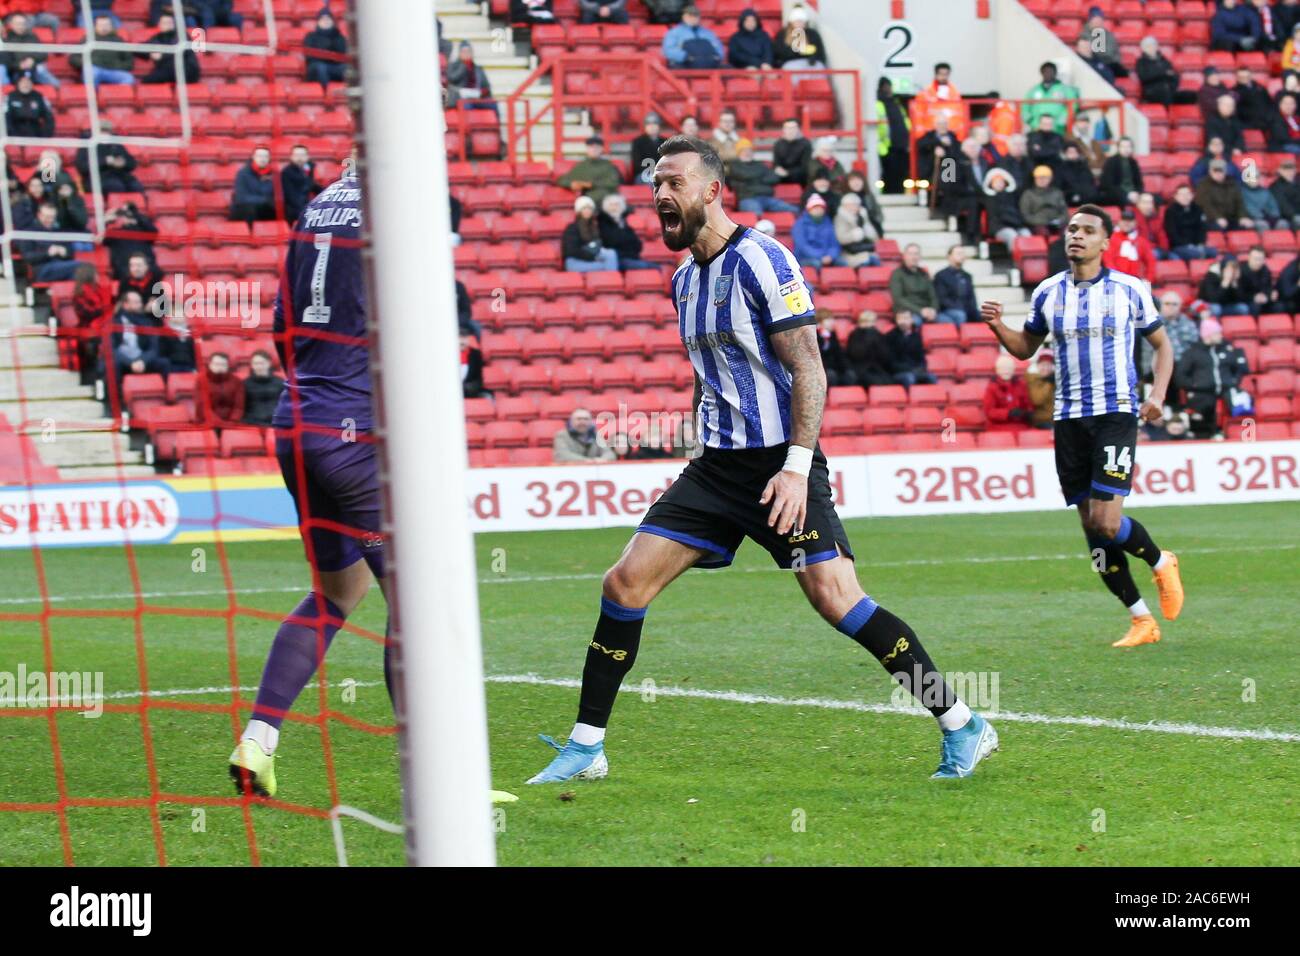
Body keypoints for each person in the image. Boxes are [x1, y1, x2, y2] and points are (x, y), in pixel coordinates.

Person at [527, 134, 997, 786]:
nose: (661, 195)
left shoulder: (764, 260)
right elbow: (708, 371)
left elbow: (809, 366)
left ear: (713, 191)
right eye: (656, 184)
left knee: (838, 601)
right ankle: (587, 746)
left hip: (782, 464)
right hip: (717, 469)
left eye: (675, 183)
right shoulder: (684, 279)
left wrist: (798, 467)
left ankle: (962, 724)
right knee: (623, 584)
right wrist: (698, 439)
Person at [229, 165, 394, 799]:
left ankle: (259, 741)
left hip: (296, 422)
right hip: (354, 437)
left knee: (335, 594)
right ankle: (444, 781)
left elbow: (280, 325)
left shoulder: (317, 206)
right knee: (417, 612)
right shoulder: (395, 201)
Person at [980, 204, 1184, 649]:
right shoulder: (1048, 292)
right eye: (1072, 229)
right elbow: (1023, 350)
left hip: (1115, 413)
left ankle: (1160, 560)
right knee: (1091, 530)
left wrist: (1158, 395)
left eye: (1088, 231)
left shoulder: (1130, 289)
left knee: (1107, 523)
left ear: (1105, 242)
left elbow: (1162, 346)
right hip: (1068, 418)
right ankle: (1141, 620)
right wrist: (999, 326)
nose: (1077, 236)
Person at [1176, 317, 1249, 437]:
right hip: (1202, 393)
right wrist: (1195, 385)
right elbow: (1180, 376)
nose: (1221, 336)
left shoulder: (1226, 350)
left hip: (1226, 391)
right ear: (1208, 335)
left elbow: (1239, 368)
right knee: (1201, 416)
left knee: (1241, 407)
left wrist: (1233, 381)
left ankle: (1235, 436)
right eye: (1217, 333)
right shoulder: (1192, 353)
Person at [107, 290, 169, 391]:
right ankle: (115, 403)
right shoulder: (114, 323)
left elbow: (154, 348)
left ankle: (164, 398)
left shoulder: (147, 322)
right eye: (136, 302)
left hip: (142, 360)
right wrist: (130, 363)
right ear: (125, 304)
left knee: (164, 363)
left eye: (140, 302)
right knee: (111, 364)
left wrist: (142, 361)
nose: (140, 305)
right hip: (124, 361)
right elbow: (111, 349)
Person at [728, 139, 799, 214]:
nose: (747, 153)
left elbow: (774, 178)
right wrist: (761, 177)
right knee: (757, 214)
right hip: (748, 198)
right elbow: (744, 175)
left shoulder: (760, 164)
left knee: (795, 210)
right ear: (738, 153)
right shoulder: (734, 165)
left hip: (766, 198)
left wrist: (753, 179)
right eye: (744, 150)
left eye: (749, 150)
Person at [1140, 292, 1201, 378]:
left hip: (1184, 369)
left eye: (1174, 304)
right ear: (1160, 305)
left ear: (1180, 307)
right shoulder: (1152, 324)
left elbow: (1194, 348)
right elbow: (1147, 351)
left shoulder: (1189, 324)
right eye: (1167, 304)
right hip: (1158, 368)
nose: (1171, 307)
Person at [17, 203, 79, 281]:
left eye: (52, 217)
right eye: (47, 217)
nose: (50, 220)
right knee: (81, 267)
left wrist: (64, 251)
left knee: (80, 275)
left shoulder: (58, 231)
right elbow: (27, 257)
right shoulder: (29, 232)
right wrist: (47, 253)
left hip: (62, 265)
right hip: (42, 268)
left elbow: (71, 252)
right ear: (39, 215)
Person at [68, 13, 135, 85]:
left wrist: (115, 65)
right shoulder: (88, 39)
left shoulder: (119, 40)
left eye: (106, 25)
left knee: (128, 78)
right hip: (95, 69)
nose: (104, 27)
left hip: (114, 71)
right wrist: (88, 63)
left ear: (111, 26)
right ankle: (93, 96)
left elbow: (129, 62)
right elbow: (73, 58)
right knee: (91, 73)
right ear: (95, 26)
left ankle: (115, 96)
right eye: (101, 25)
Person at [598, 192, 658, 271]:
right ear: (606, 207)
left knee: (656, 267)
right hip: (617, 259)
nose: (614, 208)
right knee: (648, 267)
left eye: (617, 205)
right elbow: (611, 242)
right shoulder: (602, 222)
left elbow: (637, 244)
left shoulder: (623, 223)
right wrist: (626, 242)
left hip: (632, 257)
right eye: (611, 205)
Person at [557, 135, 622, 206]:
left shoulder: (608, 165)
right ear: (587, 149)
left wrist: (591, 184)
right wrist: (571, 184)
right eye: (591, 147)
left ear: (601, 149)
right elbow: (562, 179)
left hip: (608, 199)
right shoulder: (581, 166)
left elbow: (613, 182)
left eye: (597, 147)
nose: (594, 150)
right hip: (589, 201)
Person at [75, 126, 142, 194]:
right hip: (96, 179)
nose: (105, 133)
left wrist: (124, 163)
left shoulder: (116, 144)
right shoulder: (87, 145)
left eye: (107, 131)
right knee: (116, 186)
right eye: (102, 131)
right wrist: (105, 161)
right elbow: (82, 166)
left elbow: (132, 162)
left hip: (119, 176)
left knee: (135, 186)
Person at [0, 13, 60, 87]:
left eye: (23, 24)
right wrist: (19, 65)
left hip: (33, 68)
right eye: (18, 24)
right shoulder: (6, 39)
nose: (21, 26)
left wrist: (32, 60)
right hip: (16, 72)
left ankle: (58, 88)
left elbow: (43, 54)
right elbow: (5, 60)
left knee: (40, 68)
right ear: (11, 24)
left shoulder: (32, 36)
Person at [563, 195, 618, 272]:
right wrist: (593, 257)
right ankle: (612, 280)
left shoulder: (595, 227)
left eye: (589, 208)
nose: (587, 211)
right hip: (574, 262)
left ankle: (611, 279)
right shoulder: (572, 228)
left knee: (611, 254)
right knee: (606, 266)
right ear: (579, 211)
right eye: (584, 208)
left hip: (590, 258)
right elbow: (572, 250)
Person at [140, 12, 200, 83]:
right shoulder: (156, 38)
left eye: (170, 22)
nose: (168, 25)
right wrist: (150, 54)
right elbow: (141, 48)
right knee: (147, 81)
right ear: (159, 25)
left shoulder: (182, 35)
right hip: (168, 70)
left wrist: (161, 56)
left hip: (187, 69)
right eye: (165, 23)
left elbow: (179, 50)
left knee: (154, 77)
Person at [1135, 35, 1194, 107]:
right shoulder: (1141, 62)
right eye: (1148, 46)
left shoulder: (1164, 60)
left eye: (1153, 45)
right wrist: (1162, 73)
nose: (1151, 48)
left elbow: (1174, 75)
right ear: (1143, 49)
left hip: (1169, 90)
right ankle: (1168, 115)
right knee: (1165, 95)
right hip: (1152, 92)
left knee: (1192, 96)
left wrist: (1172, 86)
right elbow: (1144, 77)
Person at [1195, 159, 1253, 232]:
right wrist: (1217, 218)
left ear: (1225, 171)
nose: (1218, 174)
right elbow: (1205, 204)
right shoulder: (1203, 185)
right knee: (1218, 227)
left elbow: (1239, 203)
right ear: (1210, 171)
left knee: (1247, 226)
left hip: (1231, 218)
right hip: (1211, 219)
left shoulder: (1233, 184)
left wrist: (1242, 217)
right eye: (1215, 171)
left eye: (1220, 171)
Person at [876, 77, 911, 194]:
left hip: (900, 146)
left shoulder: (896, 104)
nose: (888, 89)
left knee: (901, 173)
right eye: (886, 86)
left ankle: (899, 193)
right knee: (889, 175)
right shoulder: (878, 104)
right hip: (886, 147)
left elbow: (905, 123)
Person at [1164, 183, 1216, 261]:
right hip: (1180, 246)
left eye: (1188, 194)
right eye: (1182, 195)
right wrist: (1187, 245)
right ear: (1176, 197)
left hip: (1197, 245)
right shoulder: (1170, 211)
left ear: (1192, 196)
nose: (1185, 197)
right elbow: (1172, 233)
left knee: (1213, 252)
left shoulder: (1198, 209)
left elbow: (1202, 229)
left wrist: (1200, 243)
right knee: (1195, 253)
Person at [662, 5, 724, 70]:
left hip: (709, 66)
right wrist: (686, 57)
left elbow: (719, 49)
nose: (693, 18)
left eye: (696, 16)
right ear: (684, 17)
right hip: (685, 66)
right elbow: (669, 50)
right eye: (690, 15)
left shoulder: (708, 33)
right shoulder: (674, 32)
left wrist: (716, 57)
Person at [983, 354, 1034, 432]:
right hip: (998, 428)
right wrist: (1008, 413)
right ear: (997, 370)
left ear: (1013, 369)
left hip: (1020, 426)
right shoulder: (992, 387)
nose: (1006, 371)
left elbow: (1027, 405)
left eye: (1009, 368)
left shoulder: (1021, 385)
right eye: (1002, 368)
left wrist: (1026, 413)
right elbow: (989, 412)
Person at [1022, 61, 1076, 134]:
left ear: (1055, 73)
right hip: (1036, 128)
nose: (1048, 74)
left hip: (1057, 129)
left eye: (1051, 71)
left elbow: (1073, 104)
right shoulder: (1034, 90)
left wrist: (1062, 120)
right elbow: (1025, 106)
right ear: (1042, 73)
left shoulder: (1064, 89)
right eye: (1046, 71)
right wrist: (1030, 120)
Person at [886, 310, 937, 387]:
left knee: (931, 377)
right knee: (909, 378)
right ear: (896, 321)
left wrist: (921, 368)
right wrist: (910, 369)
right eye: (900, 319)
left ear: (911, 320)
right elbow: (890, 362)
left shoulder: (916, 336)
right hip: (899, 372)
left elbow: (921, 358)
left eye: (906, 318)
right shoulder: (890, 337)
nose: (903, 321)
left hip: (915, 370)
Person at [1103, 208, 1157, 280]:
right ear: (1119, 221)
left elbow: (1151, 262)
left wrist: (1148, 279)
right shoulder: (1111, 239)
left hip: (1135, 281)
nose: (1126, 223)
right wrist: (1117, 278)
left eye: (1130, 220)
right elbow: (1108, 261)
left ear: (1135, 222)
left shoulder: (1141, 241)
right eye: (1124, 220)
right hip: (1115, 280)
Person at [888, 243, 938, 322]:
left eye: (916, 254)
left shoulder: (924, 273)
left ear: (920, 257)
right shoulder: (897, 274)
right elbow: (898, 299)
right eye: (910, 254)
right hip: (906, 312)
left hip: (926, 310)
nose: (914, 257)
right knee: (915, 321)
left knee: (946, 321)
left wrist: (933, 309)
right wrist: (920, 311)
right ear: (904, 256)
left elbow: (933, 296)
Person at [845, 309, 894, 387]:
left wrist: (874, 339)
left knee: (890, 382)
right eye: (865, 322)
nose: (868, 324)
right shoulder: (855, 335)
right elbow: (856, 354)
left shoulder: (877, 334)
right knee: (877, 383)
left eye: (871, 322)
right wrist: (868, 338)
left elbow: (885, 355)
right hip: (860, 369)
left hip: (877, 368)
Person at [791, 193, 843, 268]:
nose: (818, 210)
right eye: (815, 208)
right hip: (805, 258)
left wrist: (831, 256)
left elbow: (834, 244)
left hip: (827, 256)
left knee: (842, 263)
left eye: (821, 208)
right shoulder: (800, 224)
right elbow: (802, 246)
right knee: (816, 264)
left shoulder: (828, 223)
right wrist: (821, 256)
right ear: (809, 209)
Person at [983, 168, 1031, 248]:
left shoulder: (1013, 196)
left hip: (1016, 225)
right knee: (1012, 235)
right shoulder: (989, 199)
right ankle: (1016, 258)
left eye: (1001, 182)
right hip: (999, 227)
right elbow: (996, 215)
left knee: (1026, 233)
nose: (999, 184)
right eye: (996, 182)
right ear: (991, 184)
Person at [831, 193, 880, 268]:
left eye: (856, 205)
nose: (854, 207)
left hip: (867, 252)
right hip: (849, 254)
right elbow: (841, 238)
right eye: (851, 205)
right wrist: (854, 235)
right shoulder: (840, 218)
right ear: (844, 206)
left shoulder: (863, 217)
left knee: (877, 263)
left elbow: (875, 238)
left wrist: (866, 228)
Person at [933, 245, 978, 325]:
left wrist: (972, 309)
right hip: (948, 310)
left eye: (963, 254)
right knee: (960, 315)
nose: (962, 256)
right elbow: (942, 299)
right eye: (958, 253)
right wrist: (960, 308)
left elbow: (972, 298)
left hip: (965, 309)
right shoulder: (941, 275)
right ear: (949, 256)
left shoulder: (967, 276)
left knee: (985, 316)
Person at [230, 147, 277, 223]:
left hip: (264, 209)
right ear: (253, 157)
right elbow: (241, 198)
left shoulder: (274, 174)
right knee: (249, 209)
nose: (263, 159)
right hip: (245, 210)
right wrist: (264, 200)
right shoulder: (243, 174)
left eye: (265, 156)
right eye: (260, 156)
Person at [280, 145, 324, 225]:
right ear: (291, 157)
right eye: (297, 155)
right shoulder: (287, 172)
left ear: (307, 157)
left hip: (307, 207)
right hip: (294, 211)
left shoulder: (309, 169)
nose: (299, 158)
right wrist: (308, 210)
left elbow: (314, 186)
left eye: (302, 155)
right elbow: (290, 196)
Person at [446, 41, 495, 112]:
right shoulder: (453, 65)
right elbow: (452, 79)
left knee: (493, 105)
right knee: (467, 107)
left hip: (477, 97)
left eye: (468, 51)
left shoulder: (477, 68)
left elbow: (486, 86)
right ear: (459, 53)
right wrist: (464, 66)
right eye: (464, 51)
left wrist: (481, 92)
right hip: (461, 98)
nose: (466, 54)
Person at [303, 8, 347, 87]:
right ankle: (326, 94)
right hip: (317, 66)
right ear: (318, 22)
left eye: (328, 19)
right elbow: (309, 56)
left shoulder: (339, 37)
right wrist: (327, 54)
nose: (325, 21)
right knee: (321, 68)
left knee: (346, 68)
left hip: (335, 66)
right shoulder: (311, 37)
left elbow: (343, 54)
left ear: (332, 21)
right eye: (323, 19)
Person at [773, 4, 826, 70]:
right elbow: (779, 54)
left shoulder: (813, 34)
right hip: (790, 64)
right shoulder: (782, 34)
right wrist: (797, 51)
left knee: (820, 67)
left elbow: (820, 55)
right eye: (796, 19)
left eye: (801, 19)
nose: (799, 22)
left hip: (810, 64)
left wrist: (812, 58)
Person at [1019, 165, 1067, 236]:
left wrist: (1059, 221)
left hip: (1056, 223)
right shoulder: (1028, 194)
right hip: (1038, 224)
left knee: (1069, 233)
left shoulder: (1057, 193)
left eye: (1044, 178)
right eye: (1038, 178)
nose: (1041, 180)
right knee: (1044, 233)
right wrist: (1043, 222)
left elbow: (1064, 212)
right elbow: (1025, 215)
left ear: (1050, 179)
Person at [5, 71, 54, 138]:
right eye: (23, 82)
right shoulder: (10, 97)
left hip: (35, 133)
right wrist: (12, 135)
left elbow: (49, 117)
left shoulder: (38, 96)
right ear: (18, 83)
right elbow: (5, 118)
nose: (26, 85)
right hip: (14, 133)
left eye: (28, 82)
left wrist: (44, 136)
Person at [242, 350, 284, 427]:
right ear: (252, 365)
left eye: (262, 363)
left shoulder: (280, 382)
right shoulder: (244, 384)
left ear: (269, 363)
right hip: (252, 423)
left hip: (276, 422)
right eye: (256, 363)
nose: (259, 366)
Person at [1098, 136, 1142, 206]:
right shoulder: (1111, 161)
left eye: (1128, 146)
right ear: (1118, 148)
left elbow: (1139, 183)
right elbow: (1107, 184)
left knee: (1153, 199)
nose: (1126, 149)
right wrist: (1127, 194)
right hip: (1117, 193)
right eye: (1123, 147)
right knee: (1123, 200)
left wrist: (1137, 193)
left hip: (1133, 192)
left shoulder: (1133, 162)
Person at [814, 310, 853, 387]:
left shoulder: (832, 334)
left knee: (850, 376)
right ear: (820, 321)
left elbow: (838, 353)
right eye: (828, 319)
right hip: (822, 367)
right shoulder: (816, 334)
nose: (832, 322)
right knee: (831, 376)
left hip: (834, 366)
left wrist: (846, 368)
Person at [1055, 141, 1098, 206]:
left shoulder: (1084, 167)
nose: (1073, 154)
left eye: (1075, 152)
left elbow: (1091, 182)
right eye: (1070, 152)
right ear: (1065, 154)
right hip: (1071, 199)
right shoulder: (1060, 169)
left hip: (1089, 198)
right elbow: (1059, 188)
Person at [772, 118, 812, 186]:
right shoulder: (778, 143)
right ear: (783, 129)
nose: (790, 131)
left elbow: (805, 166)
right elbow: (776, 162)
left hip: (799, 175)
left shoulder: (806, 144)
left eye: (793, 128)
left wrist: (788, 172)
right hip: (781, 174)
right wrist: (778, 168)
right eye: (787, 128)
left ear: (798, 129)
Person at [629, 113, 667, 185]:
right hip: (643, 173)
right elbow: (636, 164)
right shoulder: (638, 142)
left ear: (659, 126)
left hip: (661, 173)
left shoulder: (665, 142)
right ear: (645, 127)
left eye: (655, 124)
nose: (652, 127)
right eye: (648, 124)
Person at [1238, 244, 1276, 315]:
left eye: (1261, 259)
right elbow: (1238, 293)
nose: (1258, 262)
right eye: (1255, 259)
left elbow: (1268, 287)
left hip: (1263, 300)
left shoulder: (1265, 270)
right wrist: (1253, 297)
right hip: (1246, 300)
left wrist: (1269, 295)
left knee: (1278, 306)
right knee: (1255, 307)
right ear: (1249, 257)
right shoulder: (1240, 270)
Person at [1269, 156, 1300, 227]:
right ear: (1280, 171)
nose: (1289, 172)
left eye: (1291, 169)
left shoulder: (1297, 184)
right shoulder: (1275, 186)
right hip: (1286, 217)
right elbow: (1282, 205)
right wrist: (1293, 215)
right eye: (1286, 170)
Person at [460, 328, 485, 398]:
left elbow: (479, 380)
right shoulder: (446, 355)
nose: (462, 342)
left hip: (470, 392)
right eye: (459, 338)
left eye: (464, 338)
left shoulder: (476, 355)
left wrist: (468, 387)